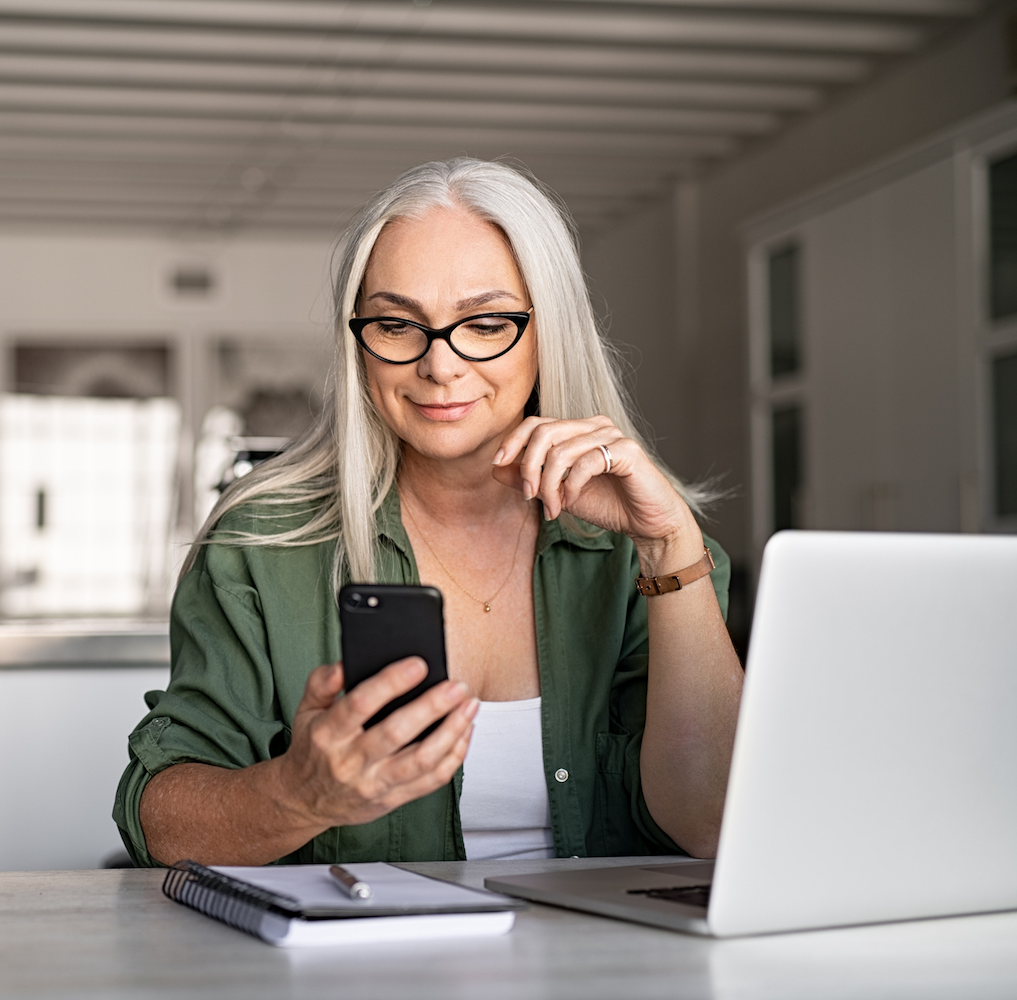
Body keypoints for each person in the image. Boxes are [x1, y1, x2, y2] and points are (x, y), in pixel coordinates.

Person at [113, 158, 743, 867]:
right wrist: (299, 794)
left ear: (548, 330)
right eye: (396, 324)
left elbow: (714, 824)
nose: (439, 366)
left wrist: (669, 549)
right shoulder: (261, 543)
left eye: (485, 323)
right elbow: (160, 821)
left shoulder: (652, 552)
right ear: (359, 343)